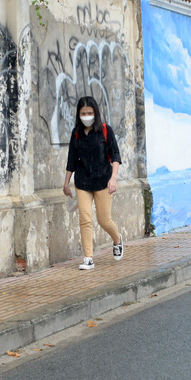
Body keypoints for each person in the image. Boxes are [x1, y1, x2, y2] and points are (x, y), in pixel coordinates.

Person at [63, 96, 123, 270]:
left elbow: (116, 155)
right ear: (78, 114)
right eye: (83, 113)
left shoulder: (105, 130)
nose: (87, 115)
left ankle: (117, 239)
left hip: (103, 181)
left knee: (104, 220)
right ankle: (88, 258)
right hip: (82, 182)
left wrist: (113, 178)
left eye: (90, 112)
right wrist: (66, 183)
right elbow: (71, 160)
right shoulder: (76, 133)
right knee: (85, 219)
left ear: (95, 113)